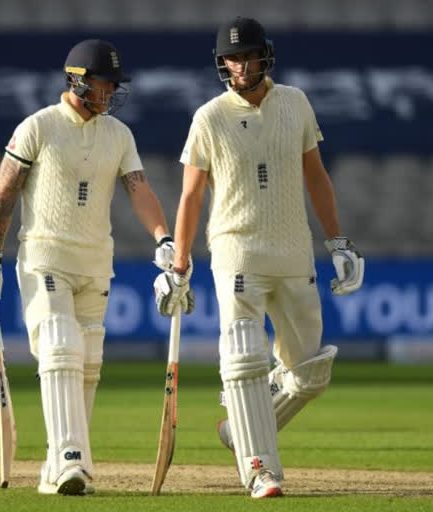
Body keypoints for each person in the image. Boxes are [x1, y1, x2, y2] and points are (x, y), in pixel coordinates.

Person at [153, 17, 365, 498]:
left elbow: (316, 177)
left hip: (294, 252)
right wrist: (180, 261)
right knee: (246, 358)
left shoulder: (295, 102)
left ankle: (241, 428)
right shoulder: (209, 116)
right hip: (237, 249)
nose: (240, 66)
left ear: (264, 56)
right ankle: (259, 468)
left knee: (309, 369)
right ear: (221, 63)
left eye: (248, 56)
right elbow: (191, 194)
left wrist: (338, 242)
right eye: (232, 58)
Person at [0, 39, 174, 495]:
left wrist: (164, 238)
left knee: (89, 364)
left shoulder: (118, 134)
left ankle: (53, 466)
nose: (112, 93)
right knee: (60, 346)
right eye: (105, 84)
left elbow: (139, 189)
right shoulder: (38, 126)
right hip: (45, 256)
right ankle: (71, 463)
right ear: (78, 80)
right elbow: (5, 193)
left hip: (96, 263)